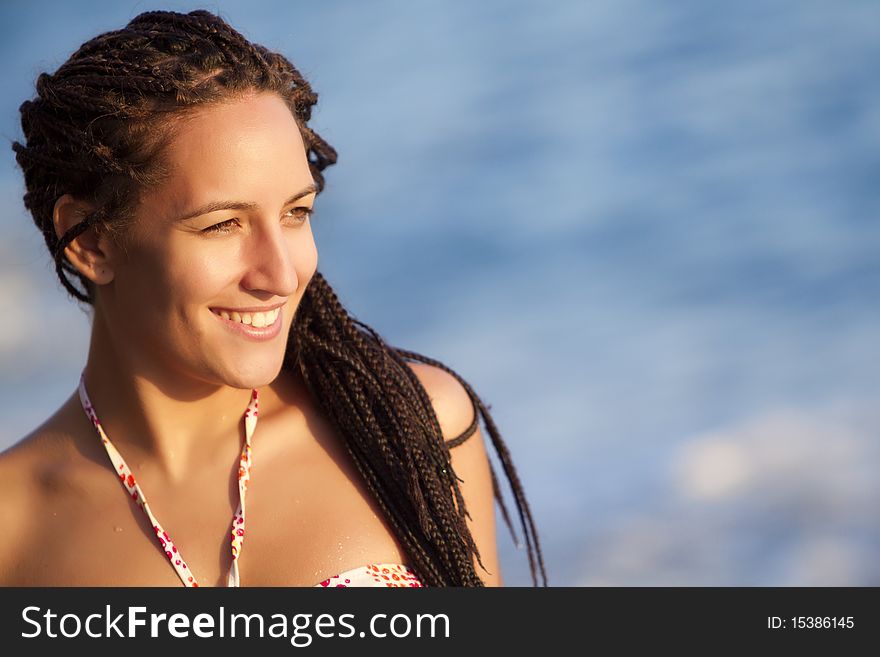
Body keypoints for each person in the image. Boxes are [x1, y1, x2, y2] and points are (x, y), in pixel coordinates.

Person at [0, 9, 546, 588]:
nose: (281, 274)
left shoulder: (407, 429)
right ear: (90, 241)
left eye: (296, 213)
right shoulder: (15, 527)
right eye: (223, 225)